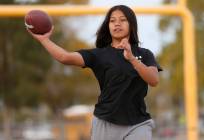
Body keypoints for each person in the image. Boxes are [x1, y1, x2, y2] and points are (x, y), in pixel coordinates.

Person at [27, 5, 162, 140]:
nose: (117, 24)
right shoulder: (99, 55)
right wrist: (45, 40)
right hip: (106, 121)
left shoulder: (144, 54)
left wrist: (132, 59)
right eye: (112, 21)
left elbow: (154, 80)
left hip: (138, 124)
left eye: (122, 20)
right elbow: (65, 57)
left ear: (131, 25)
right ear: (108, 26)